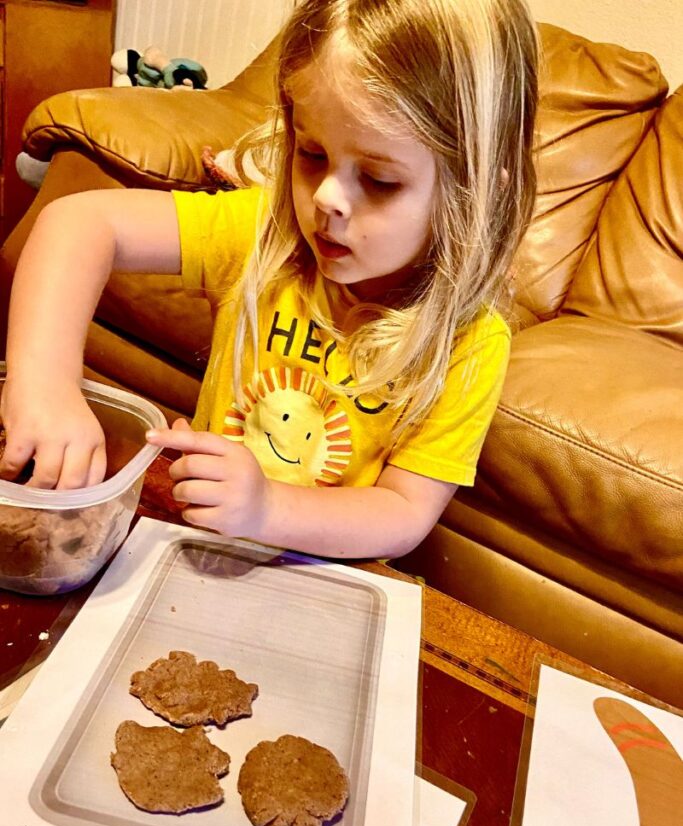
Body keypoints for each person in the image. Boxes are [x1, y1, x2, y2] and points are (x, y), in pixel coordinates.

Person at [0, 0, 538, 560]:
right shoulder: (267, 235)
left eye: (378, 180)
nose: (327, 197)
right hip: (194, 549)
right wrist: (43, 381)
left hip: (321, 576)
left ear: (475, 197)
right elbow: (80, 222)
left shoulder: (470, 344)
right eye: (311, 153)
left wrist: (267, 509)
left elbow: (403, 512)